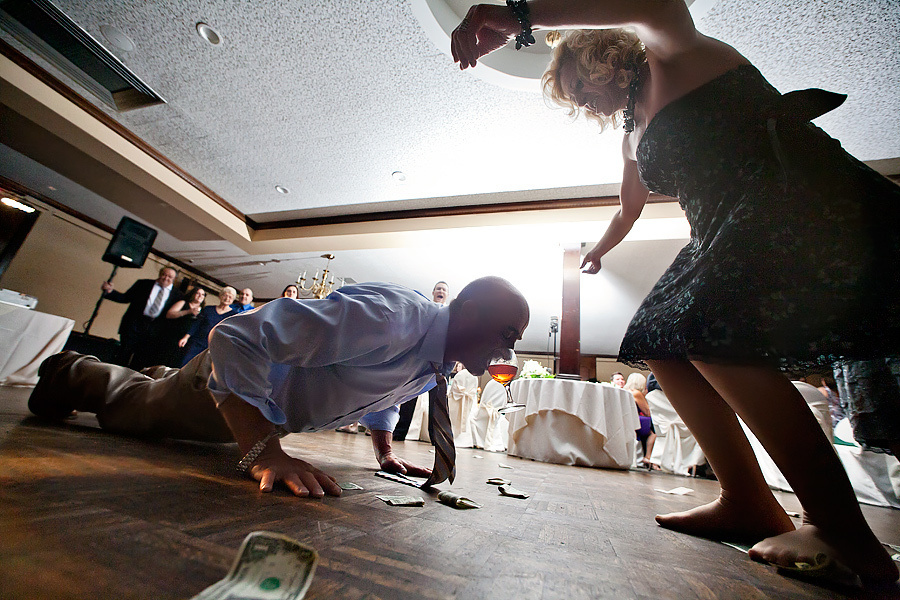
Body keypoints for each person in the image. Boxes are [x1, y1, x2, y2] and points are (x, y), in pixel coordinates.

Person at [452, 0, 899, 585]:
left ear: (602, 55)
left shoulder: (673, 53)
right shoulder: (632, 134)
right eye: (572, 98)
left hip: (792, 201)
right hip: (720, 230)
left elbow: (656, 0)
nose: (581, 101)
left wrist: (521, 14)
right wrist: (599, 250)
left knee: (712, 337)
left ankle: (842, 531)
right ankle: (746, 500)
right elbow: (628, 208)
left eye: (577, 84)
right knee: (657, 338)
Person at [28, 277, 530, 498]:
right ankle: (70, 369)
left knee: (162, 390)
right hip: (235, 392)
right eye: (507, 335)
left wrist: (383, 450)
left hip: (258, 402)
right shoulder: (392, 317)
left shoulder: (436, 359)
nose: (507, 352)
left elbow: (388, 391)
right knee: (132, 410)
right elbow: (235, 337)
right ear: (468, 310)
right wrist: (263, 452)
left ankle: (168, 379)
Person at [393, 281, 453, 442]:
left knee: (438, 402)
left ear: (447, 294)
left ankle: (435, 438)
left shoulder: (452, 314)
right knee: (408, 396)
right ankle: (399, 433)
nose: (441, 291)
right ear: (433, 292)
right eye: (438, 288)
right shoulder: (424, 309)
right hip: (420, 360)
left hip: (441, 363)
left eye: (444, 289)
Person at [100, 266, 179, 369]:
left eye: (170, 276)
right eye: (164, 274)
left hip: (154, 330)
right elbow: (125, 298)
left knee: (140, 360)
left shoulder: (178, 295)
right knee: (123, 354)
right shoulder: (143, 284)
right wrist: (110, 292)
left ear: (174, 279)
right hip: (134, 324)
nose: (166, 278)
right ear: (160, 274)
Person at [179, 287, 237, 366]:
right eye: (225, 295)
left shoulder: (233, 315)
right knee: (185, 364)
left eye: (230, 297)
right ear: (220, 296)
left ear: (233, 299)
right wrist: (186, 337)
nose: (227, 298)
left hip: (213, 348)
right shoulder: (208, 309)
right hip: (197, 343)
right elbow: (196, 324)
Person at [152, 286, 206, 367]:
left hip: (186, 340)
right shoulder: (183, 303)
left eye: (202, 294)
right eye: (197, 293)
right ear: (192, 294)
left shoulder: (203, 310)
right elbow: (169, 314)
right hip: (172, 335)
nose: (200, 296)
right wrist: (189, 311)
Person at [624, 372, 658, 469]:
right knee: (654, 433)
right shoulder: (636, 393)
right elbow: (647, 411)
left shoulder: (625, 390)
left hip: (628, 419)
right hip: (636, 419)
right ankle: (648, 456)